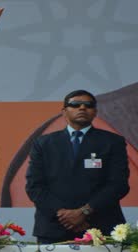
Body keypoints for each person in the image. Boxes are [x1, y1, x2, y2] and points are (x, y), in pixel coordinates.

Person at [25, 90, 130, 244]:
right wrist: (62, 214)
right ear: (64, 111)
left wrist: (84, 211)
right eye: (75, 104)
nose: (82, 108)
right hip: (53, 227)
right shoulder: (43, 143)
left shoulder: (113, 142)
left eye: (88, 105)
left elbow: (118, 184)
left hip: (100, 227)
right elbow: (35, 186)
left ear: (95, 112)